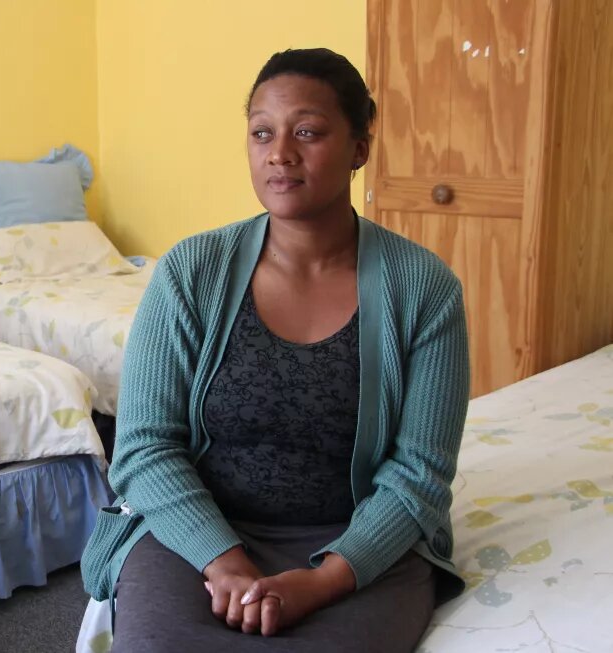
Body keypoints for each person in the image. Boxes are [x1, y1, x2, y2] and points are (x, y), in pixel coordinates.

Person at [79, 47, 470, 652]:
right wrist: (225, 563)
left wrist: (321, 582)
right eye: (262, 132)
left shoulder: (424, 288)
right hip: (198, 529)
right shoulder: (191, 272)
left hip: (357, 541)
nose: (279, 153)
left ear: (360, 148)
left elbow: (420, 474)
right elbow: (144, 446)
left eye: (308, 132)